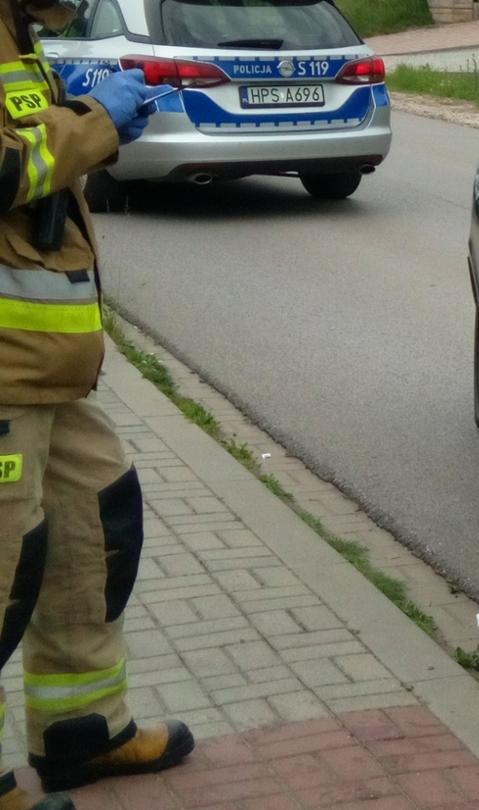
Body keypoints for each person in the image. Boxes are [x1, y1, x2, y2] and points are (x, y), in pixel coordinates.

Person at [0, 1, 191, 807]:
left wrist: (82, 114)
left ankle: (81, 732)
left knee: (91, 531)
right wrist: (91, 123)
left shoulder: (15, 33)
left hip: (44, 374)